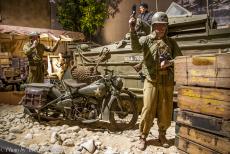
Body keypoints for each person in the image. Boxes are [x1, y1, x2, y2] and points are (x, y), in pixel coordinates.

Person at [129, 12, 182, 150]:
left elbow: (180, 59)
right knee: (147, 109)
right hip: (151, 80)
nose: (161, 28)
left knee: (165, 110)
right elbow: (135, 48)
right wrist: (132, 29)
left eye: (163, 25)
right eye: (158, 25)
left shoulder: (171, 42)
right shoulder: (146, 39)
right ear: (153, 26)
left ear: (166, 27)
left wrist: (169, 63)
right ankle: (142, 136)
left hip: (167, 81)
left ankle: (162, 134)